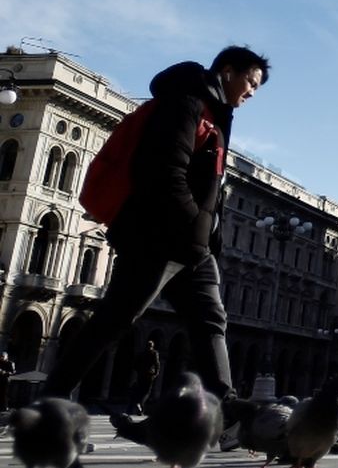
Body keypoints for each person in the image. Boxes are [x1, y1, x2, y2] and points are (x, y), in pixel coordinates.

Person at [43, 46, 268, 403]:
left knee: (211, 321)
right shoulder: (185, 105)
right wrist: (195, 224)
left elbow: (209, 189)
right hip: (156, 237)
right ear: (227, 71)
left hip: (192, 246)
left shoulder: (214, 115)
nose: (252, 92)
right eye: (251, 82)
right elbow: (164, 173)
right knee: (115, 320)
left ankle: (225, 411)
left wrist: (210, 237)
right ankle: (49, 403)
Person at [130, 340, 161, 414]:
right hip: (149, 375)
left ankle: (140, 406)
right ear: (152, 346)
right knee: (146, 392)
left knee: (140, 390)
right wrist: (156, 373)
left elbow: (135, 364)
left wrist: (139, 371)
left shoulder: (141, 353)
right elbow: (157, 364)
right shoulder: (154, 353)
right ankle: (140, 404)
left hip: (141, 374)